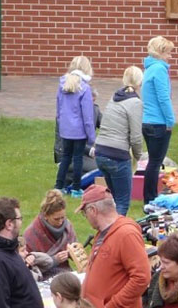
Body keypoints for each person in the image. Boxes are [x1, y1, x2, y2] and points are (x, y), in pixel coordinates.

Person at [95, 65, 144, 216]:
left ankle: (107, 232)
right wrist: (139, 157)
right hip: (117, 156)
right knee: (122, 202)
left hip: (101, 152)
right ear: (140, 83)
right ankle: (115, 234)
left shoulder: (114, 98)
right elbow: (136, 137)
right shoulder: (135, 103)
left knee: (114, 200)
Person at [142, 36, 177, 204]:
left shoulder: (149, 69)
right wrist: (170, 120)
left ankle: (149, 196)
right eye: (168, 53)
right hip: (158, 122)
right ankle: (150, 197)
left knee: (153, 162)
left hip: (147, 121)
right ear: (161, 52)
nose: (170, 57)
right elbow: (164, 98)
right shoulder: (160, 70)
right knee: (155, 163)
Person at [55, 56, 95, 197]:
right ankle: (76, 188)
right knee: (78, 158)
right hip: (79, 131)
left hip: (65, 129)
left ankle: (59, 185)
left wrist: (61, 125)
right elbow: (88, 116)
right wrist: (91, 137)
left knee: (66, 157)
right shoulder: (85, 88)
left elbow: (58, 108)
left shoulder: (62, 84)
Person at [22, 189, 78, 281]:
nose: (60, 222)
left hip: (65, 272)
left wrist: (71, 252)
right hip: (42, 276)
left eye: (62, 217)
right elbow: (27, 264)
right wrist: (54, 260)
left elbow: (77, 250)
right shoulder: (32, 232)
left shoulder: (68, 226)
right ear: (45, 216)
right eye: (56, 219)